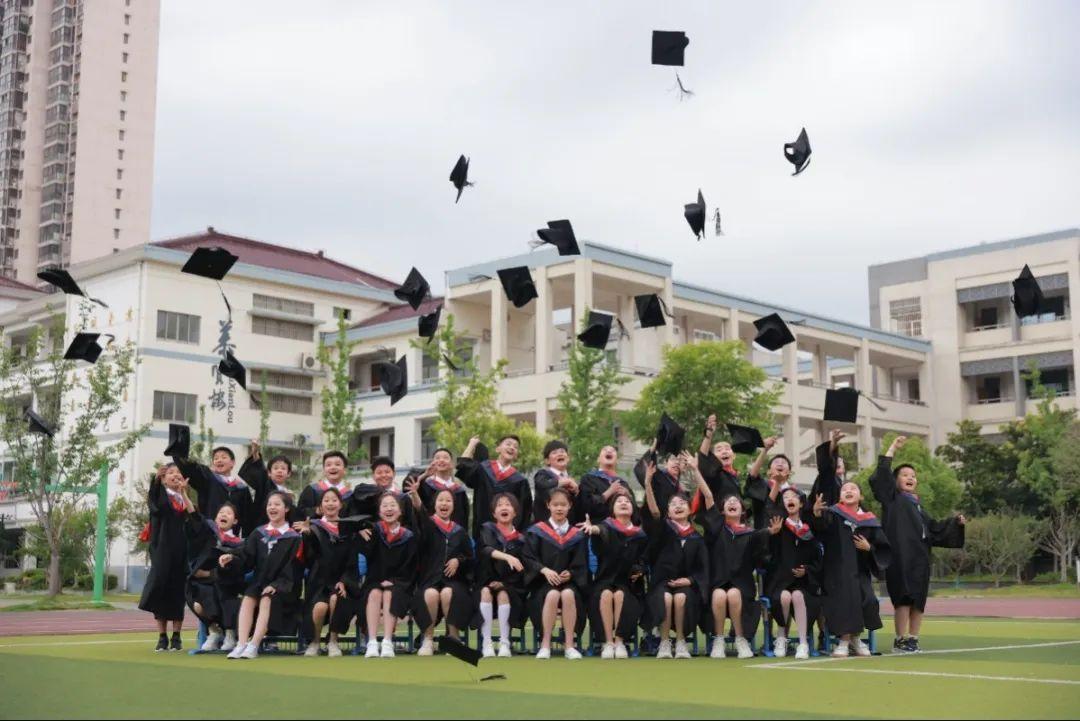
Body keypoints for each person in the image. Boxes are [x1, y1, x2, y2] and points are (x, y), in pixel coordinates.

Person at [873, 436, 966, 654]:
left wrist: (955, 522)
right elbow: (881, 477)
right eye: (904, 475)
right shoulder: (891, 499)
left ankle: (913, 639)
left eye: (913, 476)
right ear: (895, 481)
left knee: (918, 600)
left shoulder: (918, 507)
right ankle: (900, 638)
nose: (910, 478)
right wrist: (892, 448)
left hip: (920, 559)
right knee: (903, 599)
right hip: (900, 557)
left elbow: (934, 529)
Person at [692, 452, 779, 659]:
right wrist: (695, 469)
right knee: (720, 594)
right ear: (722, 511)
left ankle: (741, 640)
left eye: (737, 501)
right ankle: (719, 640)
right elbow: (709, 496)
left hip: (743, 587)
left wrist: (771, 533)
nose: (732, 502)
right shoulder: (717, 529)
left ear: (742, 511)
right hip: (717, 582)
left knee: (733, 594)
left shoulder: (750, 534)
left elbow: (762, 550)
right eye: (729, 501)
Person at [811, 482, 892, 657]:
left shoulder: (869, 520)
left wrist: (869, 547)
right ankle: (844, 640)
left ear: (860, 497)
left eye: (853, 489)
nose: (848, 491)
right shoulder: (833, 515)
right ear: (840, 496)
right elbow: (820, 531)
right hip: (836, 572)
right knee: (844, 598)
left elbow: (883, 547)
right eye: (844, 489)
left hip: (860, 573)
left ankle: (855, 639)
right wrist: (817, 514)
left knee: (868, 599)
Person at [221, 492, 304, 660]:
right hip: (260, 582)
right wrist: (232, 557)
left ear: (286, 509)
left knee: (266, 597)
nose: (272, 507)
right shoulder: (259, 533)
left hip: (285, 586)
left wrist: (277, 585)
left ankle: (254, 645)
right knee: (248, 597)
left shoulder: (294, 537)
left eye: (277, 504)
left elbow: (294, 567)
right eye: (269, 505)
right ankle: (241, 644)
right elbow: (246, 556)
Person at [642, 459, 710, 659]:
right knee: (665, 597)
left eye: (682, 504)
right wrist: (647, 483)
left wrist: (689, 580)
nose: (678, 506)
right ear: (668, 511)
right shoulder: (664, 529)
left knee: (680, 598)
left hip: (687, 584)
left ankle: (680, 642)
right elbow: (654, 511)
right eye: (673, 504)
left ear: (690, 510)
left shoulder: (696, 537)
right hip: (662, 582)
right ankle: (664, 642)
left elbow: (703, 568)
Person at [405, 479, 475, 656]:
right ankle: (428, 639)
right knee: (430, 594)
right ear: (434, 505)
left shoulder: (459, 531)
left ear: (453, 506)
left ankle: (453, 640)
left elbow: (469, 557)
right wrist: (415, 495)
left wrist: (458, 560)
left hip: (454, 581)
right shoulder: (428, 525)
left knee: (447, 593)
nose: (444, 503)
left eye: (448, 501)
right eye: (441, 500)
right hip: (430, 579)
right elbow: (420, 513)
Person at [579, 491, 648, 659]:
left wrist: (639, 570)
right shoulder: (607, 526)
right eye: (619, 502)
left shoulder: (640, 534)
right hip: (605, 580)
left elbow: (643, 559)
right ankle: (607, 642)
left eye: (627, 501)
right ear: (612, 509)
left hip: (628, 585)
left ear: (633, 509)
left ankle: (619, 641)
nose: (624, 503)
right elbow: (600, 530)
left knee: (620, 595)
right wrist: (592, 528)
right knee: (606, 594)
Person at [523, 487, 589, 660]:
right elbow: (528, 558)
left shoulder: (577, 535)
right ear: (548, 506)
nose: (559, 508)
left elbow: (581, 564)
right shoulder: (536, 531)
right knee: (552, 595)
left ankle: (569, 645)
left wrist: (572, 573)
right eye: (555, 504)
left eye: (563, 504)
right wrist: (544, 570)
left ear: (570, 506)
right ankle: (545, 644)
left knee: (568, 594)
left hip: (569, 584)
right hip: (543, 583)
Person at [357, 491, 419, 658]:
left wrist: (392, 580)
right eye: (385, 506)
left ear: (400, 511)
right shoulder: (374, 531)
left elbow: (409, 566)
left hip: (400, 582)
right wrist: (363, 537)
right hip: (374, 580)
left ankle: (387, 641)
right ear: (379, 512)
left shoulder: (408, 536)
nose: (389, 509)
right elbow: (369, 557)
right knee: (375, 593)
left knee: (390, 594)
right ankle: (371, 641)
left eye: (393, 505)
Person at [763, 487, 823, 660]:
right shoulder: (778, 527)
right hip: (780, 581)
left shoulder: (808, 530)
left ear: (801, 503)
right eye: (785, 497)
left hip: (804, 582)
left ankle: (803, 643)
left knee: (797, 596)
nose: (789, 499)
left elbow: (817, 558)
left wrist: (807, 571)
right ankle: (782, 637)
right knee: (784, 597)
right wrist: (771, 534)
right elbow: (766, 555)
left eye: (793, 496)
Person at [296, 488, 355, 657]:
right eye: (326, 500)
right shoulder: (315, 527)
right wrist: (307, 536)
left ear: (341, 505)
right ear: (321, 507)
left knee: (337, 598)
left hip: (341, 581)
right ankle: (315, 642)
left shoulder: (348, 529)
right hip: (319, 582)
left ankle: (333, 641)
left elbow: (352, 560)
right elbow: (309, 557)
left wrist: (344, 580)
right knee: (320, 607)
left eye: (334, 500)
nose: (330, 503)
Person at [138, 464, 191, 652]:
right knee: (160, 591)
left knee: (178, 594)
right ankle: (162, 637)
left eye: (178, 472)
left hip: (182, 553)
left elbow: (194, 518)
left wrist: (184, 493)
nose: (175, 475)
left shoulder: (183, 499)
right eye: (170, 473)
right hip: (162, 551)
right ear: (163, 478)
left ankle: (176, 636)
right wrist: (156, 481)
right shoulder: (160, 496)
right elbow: (155, 504)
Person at [185, 501, 245, 652]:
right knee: (198, 603)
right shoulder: (209, 534)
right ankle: (214, 631)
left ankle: (230, 633)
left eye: (228, 513)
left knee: (223, 592)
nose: (224, 515)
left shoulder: (239, 543)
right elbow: (195, 517)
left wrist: (211, 573)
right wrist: (184, 495)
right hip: (203, 584)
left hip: (226, 583)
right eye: (221, 513)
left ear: (235, 521)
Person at [476, 493, 527, 658]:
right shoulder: (487, 529)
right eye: (499, 505)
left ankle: (505, 642)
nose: (504, 507)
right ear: (494, 513)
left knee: (504, 593)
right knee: (485, 592)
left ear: (515, 512)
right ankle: (487, 642)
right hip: (485, 582)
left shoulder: (522, 540)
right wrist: (507, 556)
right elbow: (485, 550)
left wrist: (504, 583)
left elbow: (522, 570)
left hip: (511, 586)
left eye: (508, 505)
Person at [457, 435, 532, 538]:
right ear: (498, 449)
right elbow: (463, 466)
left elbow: (523, 514)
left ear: (516, 455)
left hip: (508, 537)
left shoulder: (520, 481)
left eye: (515, 447)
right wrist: (471, 444)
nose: (512, 447)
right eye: (508, 444)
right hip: (481, 533)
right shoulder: (483, 469)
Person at [174, 446, 255, 535]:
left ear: (232, 463)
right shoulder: (208, 479)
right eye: (216, 458)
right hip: (209, 536)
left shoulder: (242, 488)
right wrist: (179, 452)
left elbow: (248, 519)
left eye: (223, 457)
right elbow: (191, 469)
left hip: (232, 540)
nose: (219, 460)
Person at [240, 440, 298, 526]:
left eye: (283, 468)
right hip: (262, 529)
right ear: (269, 473)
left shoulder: (288, 494)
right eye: (276, 468)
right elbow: (259, 469)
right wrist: (255, 453)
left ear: (289, 473)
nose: (279, 471)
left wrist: (290, 502)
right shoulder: (265, 484)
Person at [577, 445, 636, 523]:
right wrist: (609, 492)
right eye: (605, 450)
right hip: (597, 528)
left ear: (617, 460)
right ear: (598, 459)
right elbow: (585, 507)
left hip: (621, 531)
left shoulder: (623, 484)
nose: (609, 451)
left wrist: (629, 496)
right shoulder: (588, 479)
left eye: (613, 450)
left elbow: (636, 517)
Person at [415, 448, 470, 530]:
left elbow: (464, 517)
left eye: (445, 458)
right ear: (432, 463)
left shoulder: (459, 491)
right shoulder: (425, 486)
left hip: (455, 537)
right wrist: (425, 475)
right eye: (437, 458)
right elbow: (410, 490)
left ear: (452, 464)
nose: (441, 460)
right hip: (431, 534)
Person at [351, 456, 414, 526]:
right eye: (379, 472)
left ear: (394, 473)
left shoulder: (403, 498)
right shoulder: (365, 496)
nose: (383, 475)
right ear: (373, 475)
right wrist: (360, 528)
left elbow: (410, 524)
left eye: (387, 472)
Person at [532, 440, 579, 522]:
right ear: (547, 461)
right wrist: (560, 482)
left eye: (562, 451)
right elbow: (543, 488)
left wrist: (577, 492)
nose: (560, 454)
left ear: (568, 458)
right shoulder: (542, 475)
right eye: (554, 452)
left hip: (568, 527)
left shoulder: (573, 482)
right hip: (546, 527)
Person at [298, 451, 352, 520]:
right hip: (315, 529)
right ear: (323, 470)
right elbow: (299, 512)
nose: (333, 467)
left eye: (337, 464)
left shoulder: (350, 495)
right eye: (328, 465)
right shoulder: (312, 490)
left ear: (345, 470)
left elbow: (353, 517)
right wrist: (315, 511)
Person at [634, 451, 685, 521]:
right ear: (665, 464)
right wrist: (652, 450)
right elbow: (646, 467)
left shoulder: (682, 487)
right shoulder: (659, 478)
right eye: (673, 459)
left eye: (680, 460)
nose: (677, 462)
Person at [810, 429, 847, 507]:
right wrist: (833, 444)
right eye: (836, 459)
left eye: (840, 460)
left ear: (844, 468)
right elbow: (826, 468)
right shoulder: (825, 478)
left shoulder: (845, 484)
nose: (837, 462)